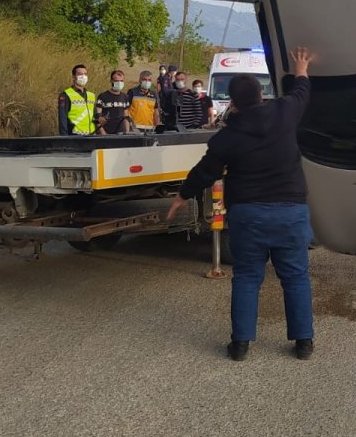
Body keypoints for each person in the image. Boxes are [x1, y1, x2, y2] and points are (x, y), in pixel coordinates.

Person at [166, 47, 316, 361]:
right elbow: (301, 91)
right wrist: (300, 67)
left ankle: (241, 346)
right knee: (295, 276)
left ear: (233, 102)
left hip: (248, 215)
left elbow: (204, 172)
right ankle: (304, 343)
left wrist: (181, 197)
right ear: (261, 95)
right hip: (291, 211)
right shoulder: (284, 112)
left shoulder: (226, 137)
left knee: (248, 277)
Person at [58, 64, 96, 136]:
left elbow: (94, 117)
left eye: (85, 74)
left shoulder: (92, 95)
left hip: (91, 136)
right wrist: (64, 138)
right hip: (75, 136)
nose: (83, 76)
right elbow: (62, 118)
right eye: (79, 74)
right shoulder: (66, 94)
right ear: (73, 76)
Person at [95, 70, 134, 134]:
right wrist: (103, 133)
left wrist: (127, 132)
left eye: (121, 81)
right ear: (111, 81)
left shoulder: (125, 97)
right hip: (106, 132)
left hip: (121, 133)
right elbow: (98, 117)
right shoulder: (102, 96)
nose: (119, 83)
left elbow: (126, 117)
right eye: (116, 81)